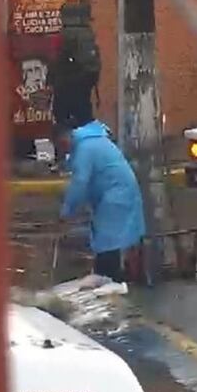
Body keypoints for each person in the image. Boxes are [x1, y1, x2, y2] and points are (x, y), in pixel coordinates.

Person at [56, 118, 145, 293]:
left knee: (108, 239)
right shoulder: (90, 142)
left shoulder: (84, 148)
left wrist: (67, 212)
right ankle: (108, 277)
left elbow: (80, 182)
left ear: (65, 139)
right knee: (107, 237)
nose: (62, 150)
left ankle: (109, 280)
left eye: (61, 146)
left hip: (116, 193)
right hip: (118, 191)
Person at [51, 2, 101, 129]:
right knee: (84, 118)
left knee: (63, 121)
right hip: (84, 85)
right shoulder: (87, 33)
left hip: (66, 84)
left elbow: (57, 59)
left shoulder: (65, 34)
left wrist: (51, 81)